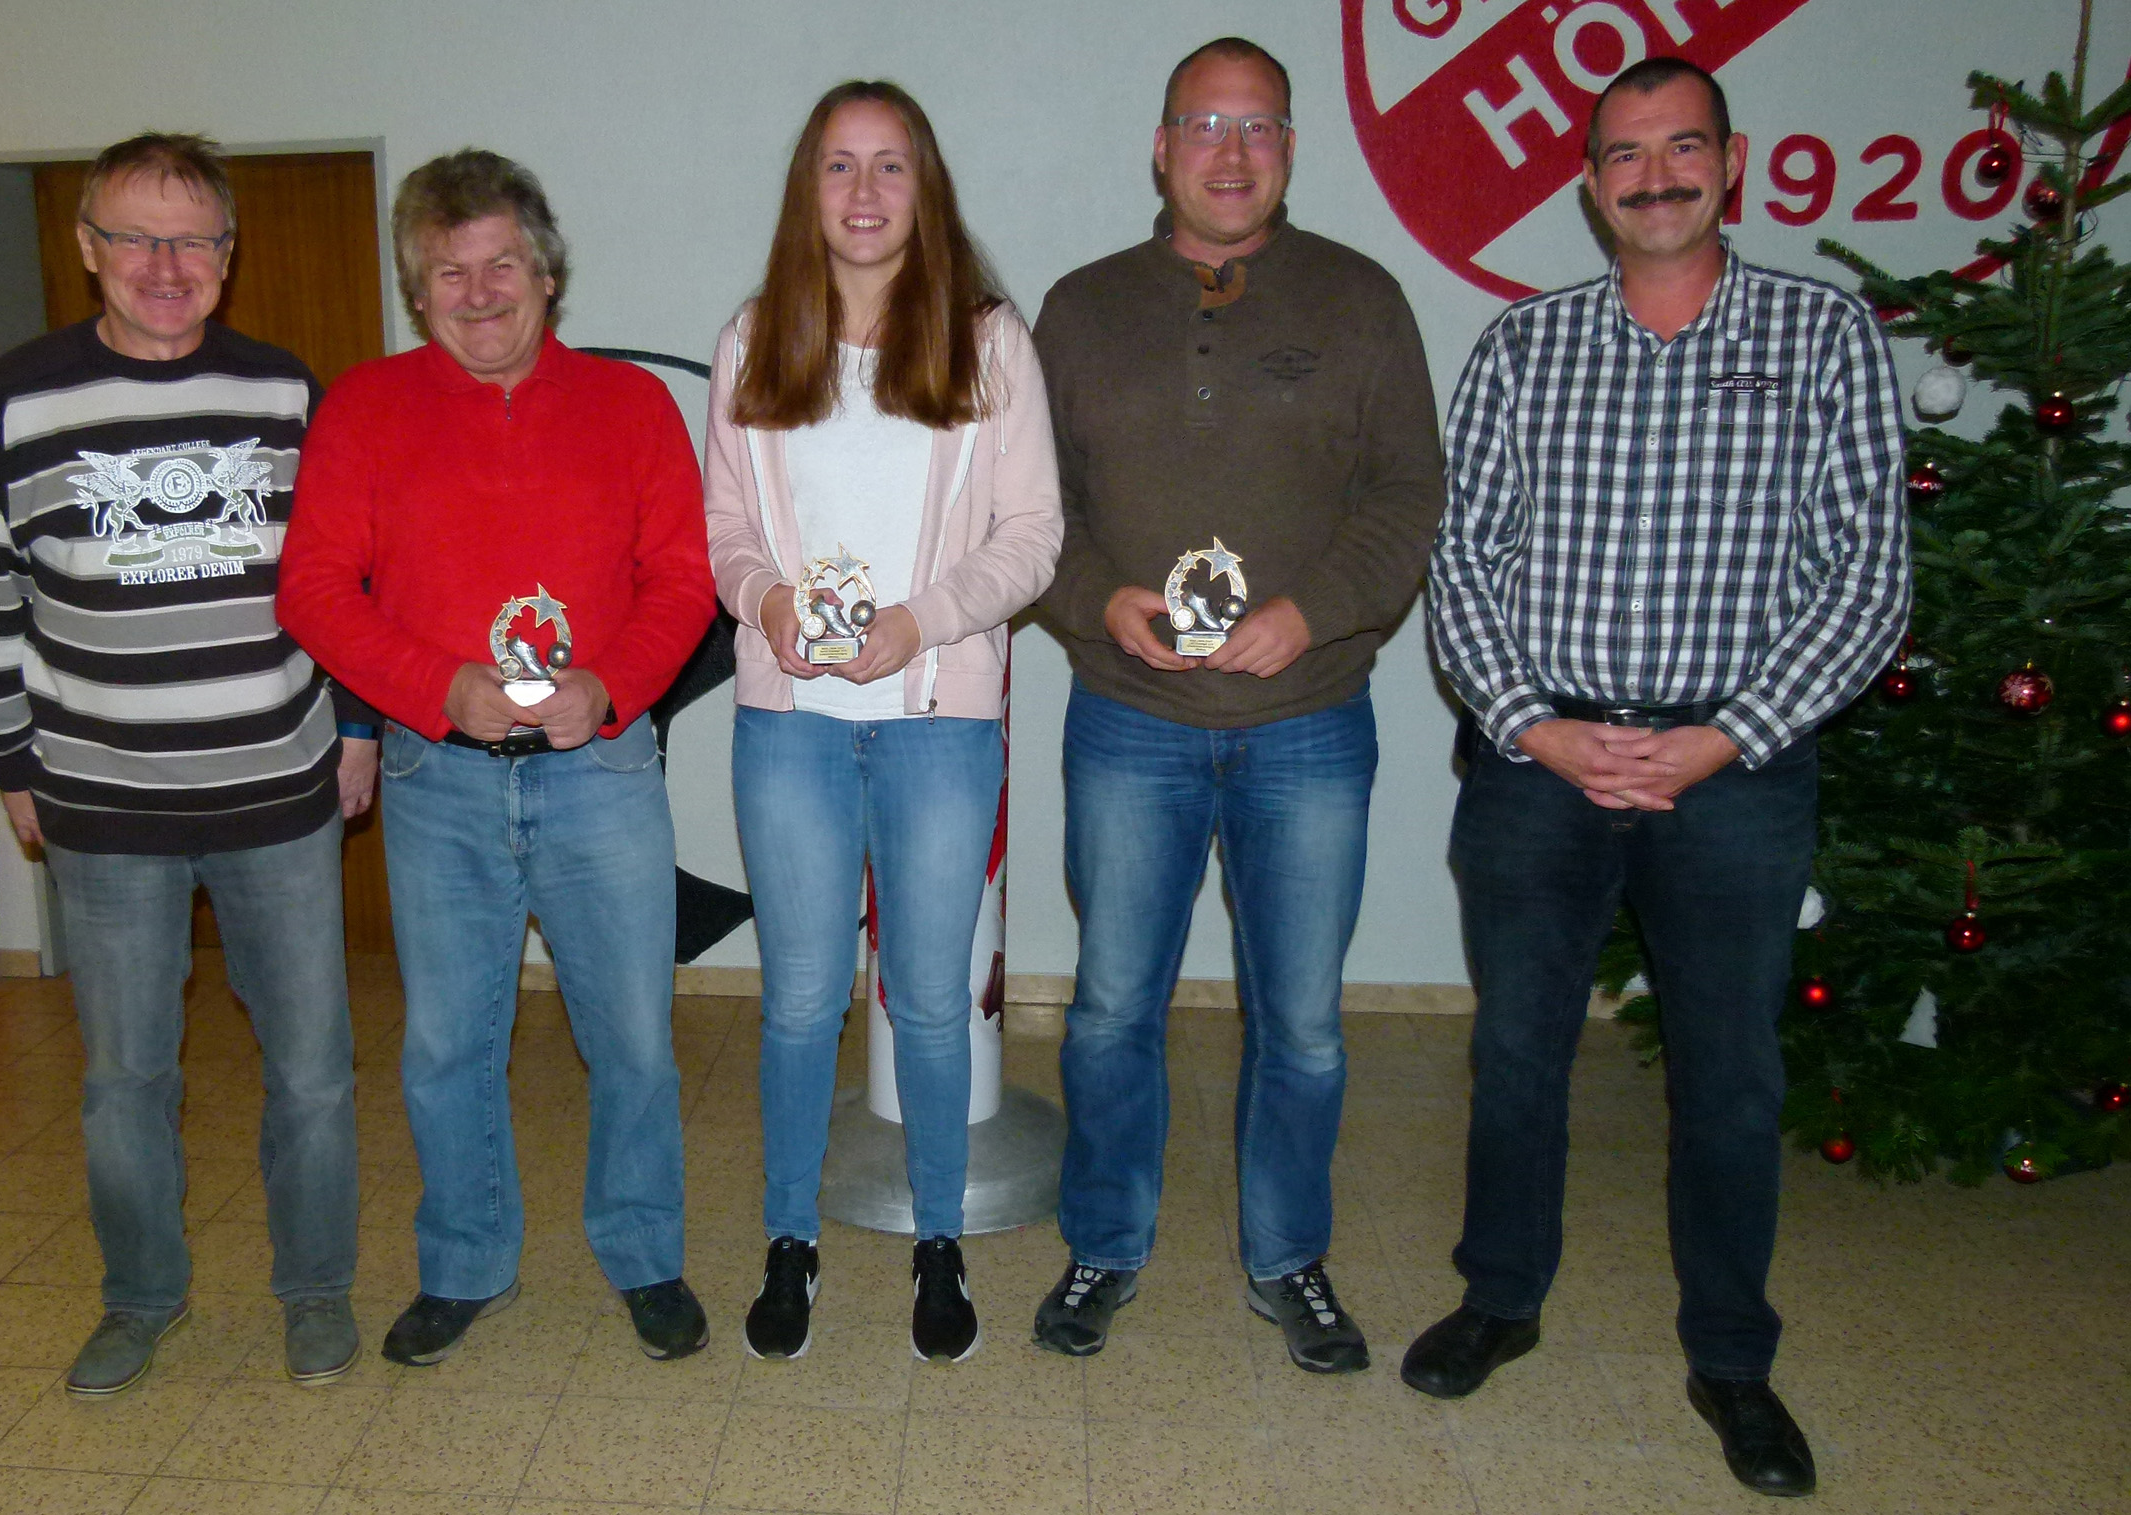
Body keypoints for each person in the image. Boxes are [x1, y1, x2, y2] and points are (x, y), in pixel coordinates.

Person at [1418, 58, 1907, 1499]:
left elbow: (1866, 574)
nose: (1651, 176)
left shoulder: (1819, 335)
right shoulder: (1522, 347)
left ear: (1730, 162)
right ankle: (1499, 1295)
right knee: (1514, 1048)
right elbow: (1462, 565)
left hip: (1733, 770)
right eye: (1621, 155)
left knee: (1728, 1073)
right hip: (1537, 761)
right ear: (1584, 183)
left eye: (1677, 147)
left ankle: (1732, 1358)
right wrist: (1534, 724)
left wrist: (1722, 734)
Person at [1030, 37, 1445, 1366]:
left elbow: (1405, 496)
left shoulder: (1361, 298)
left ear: (1287, 148)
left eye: (1256, 124)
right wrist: (1098, 599)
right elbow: (1038, 513)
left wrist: (1307, 610)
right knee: (1106, 1009)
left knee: (1304, 1023)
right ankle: (1103, 1242)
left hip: (1307, 721)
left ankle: (1288, 1258)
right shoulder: (1080, 306)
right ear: (1159, 148)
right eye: (1202, 123)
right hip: (1126, 719)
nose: (1228, 149)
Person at [0, 133, 374, 1396]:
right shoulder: (16, 398)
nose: (165, 265)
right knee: (126, 1079)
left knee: (311, 1070)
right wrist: (7, 757)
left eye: (193, 240)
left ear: (229, 257)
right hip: (101, 802)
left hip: (278, 789)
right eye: (136, 236)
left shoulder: (286, 392)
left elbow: (344, 581)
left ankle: (314, 1291)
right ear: (89, 250)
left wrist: (357, 726)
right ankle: (139, 1298)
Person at [278, 149, 717, 1365]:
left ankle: (643, 1252)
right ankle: (465, 1262)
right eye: (446, 274)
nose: (478, 294)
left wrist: (610, 686)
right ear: (418, 293)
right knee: (447, 1045)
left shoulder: (630, 408)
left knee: (631, 1036)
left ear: (547, 270)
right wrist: (435, 688)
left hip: (601, 770)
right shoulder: (368, 408)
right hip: (439, 780)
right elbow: (313, 588)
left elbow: (682, 581)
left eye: (500, 265)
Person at [704, 81, 1063, 1365]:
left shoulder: (986, 341)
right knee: (799, 1001)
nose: (863, 194)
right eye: (839, 167)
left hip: (936, 723)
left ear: (927, 186)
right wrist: (764, 598)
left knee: (926, 1000)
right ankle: (788, 1240)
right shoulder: (756, 339)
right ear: (809, 190)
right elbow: (726, 534)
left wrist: (926, 619)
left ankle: (937, 1244)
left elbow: (1033, 538)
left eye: (890, 167)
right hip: (789, 723)